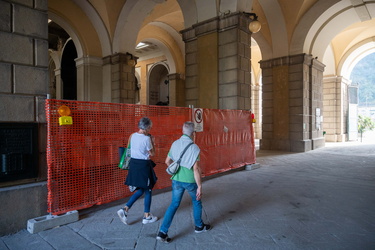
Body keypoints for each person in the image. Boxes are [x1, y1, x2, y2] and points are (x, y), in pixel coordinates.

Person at [156, 121, 211, 243]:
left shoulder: (175, 143)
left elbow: (167, 161)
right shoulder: (195, 148)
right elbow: (195, 169)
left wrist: (175, 168)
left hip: (176, 179)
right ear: (193, 133)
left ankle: (162, 232)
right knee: (196, 202)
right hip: (190, 181)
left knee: (174, 204)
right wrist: (200, 186)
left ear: (182, 131)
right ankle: (199, 226)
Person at [117, 117, 158, 225]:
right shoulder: (147, 139)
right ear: (148, 127)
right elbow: (152, 153)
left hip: (134, 164)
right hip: (143, 166)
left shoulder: (132, 135)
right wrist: (153, 142)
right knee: (148, 189)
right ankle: (147, 216)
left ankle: (125, 209)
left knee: (141, 189)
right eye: (150, 127)